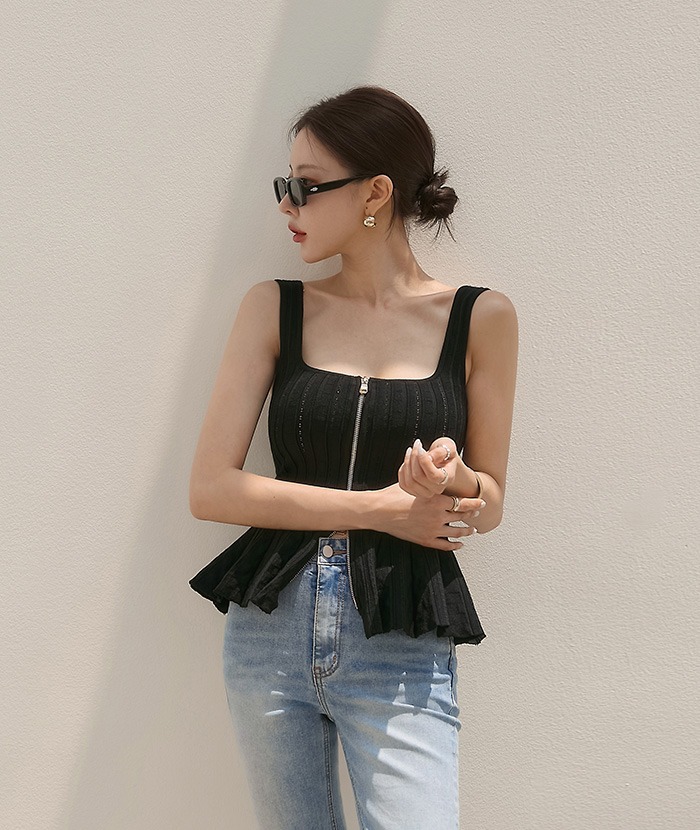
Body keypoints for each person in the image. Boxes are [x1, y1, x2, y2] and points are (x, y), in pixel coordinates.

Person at [188, 85, 518, 830]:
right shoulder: (274, 306)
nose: (288, 204)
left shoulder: (481, 318)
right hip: (270, 636)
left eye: (306, 185)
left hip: (400, 639)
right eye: (285, 184)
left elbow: (490, 502)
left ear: (375, 192)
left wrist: (455, 478)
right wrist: (381, 510)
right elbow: (211, 488)